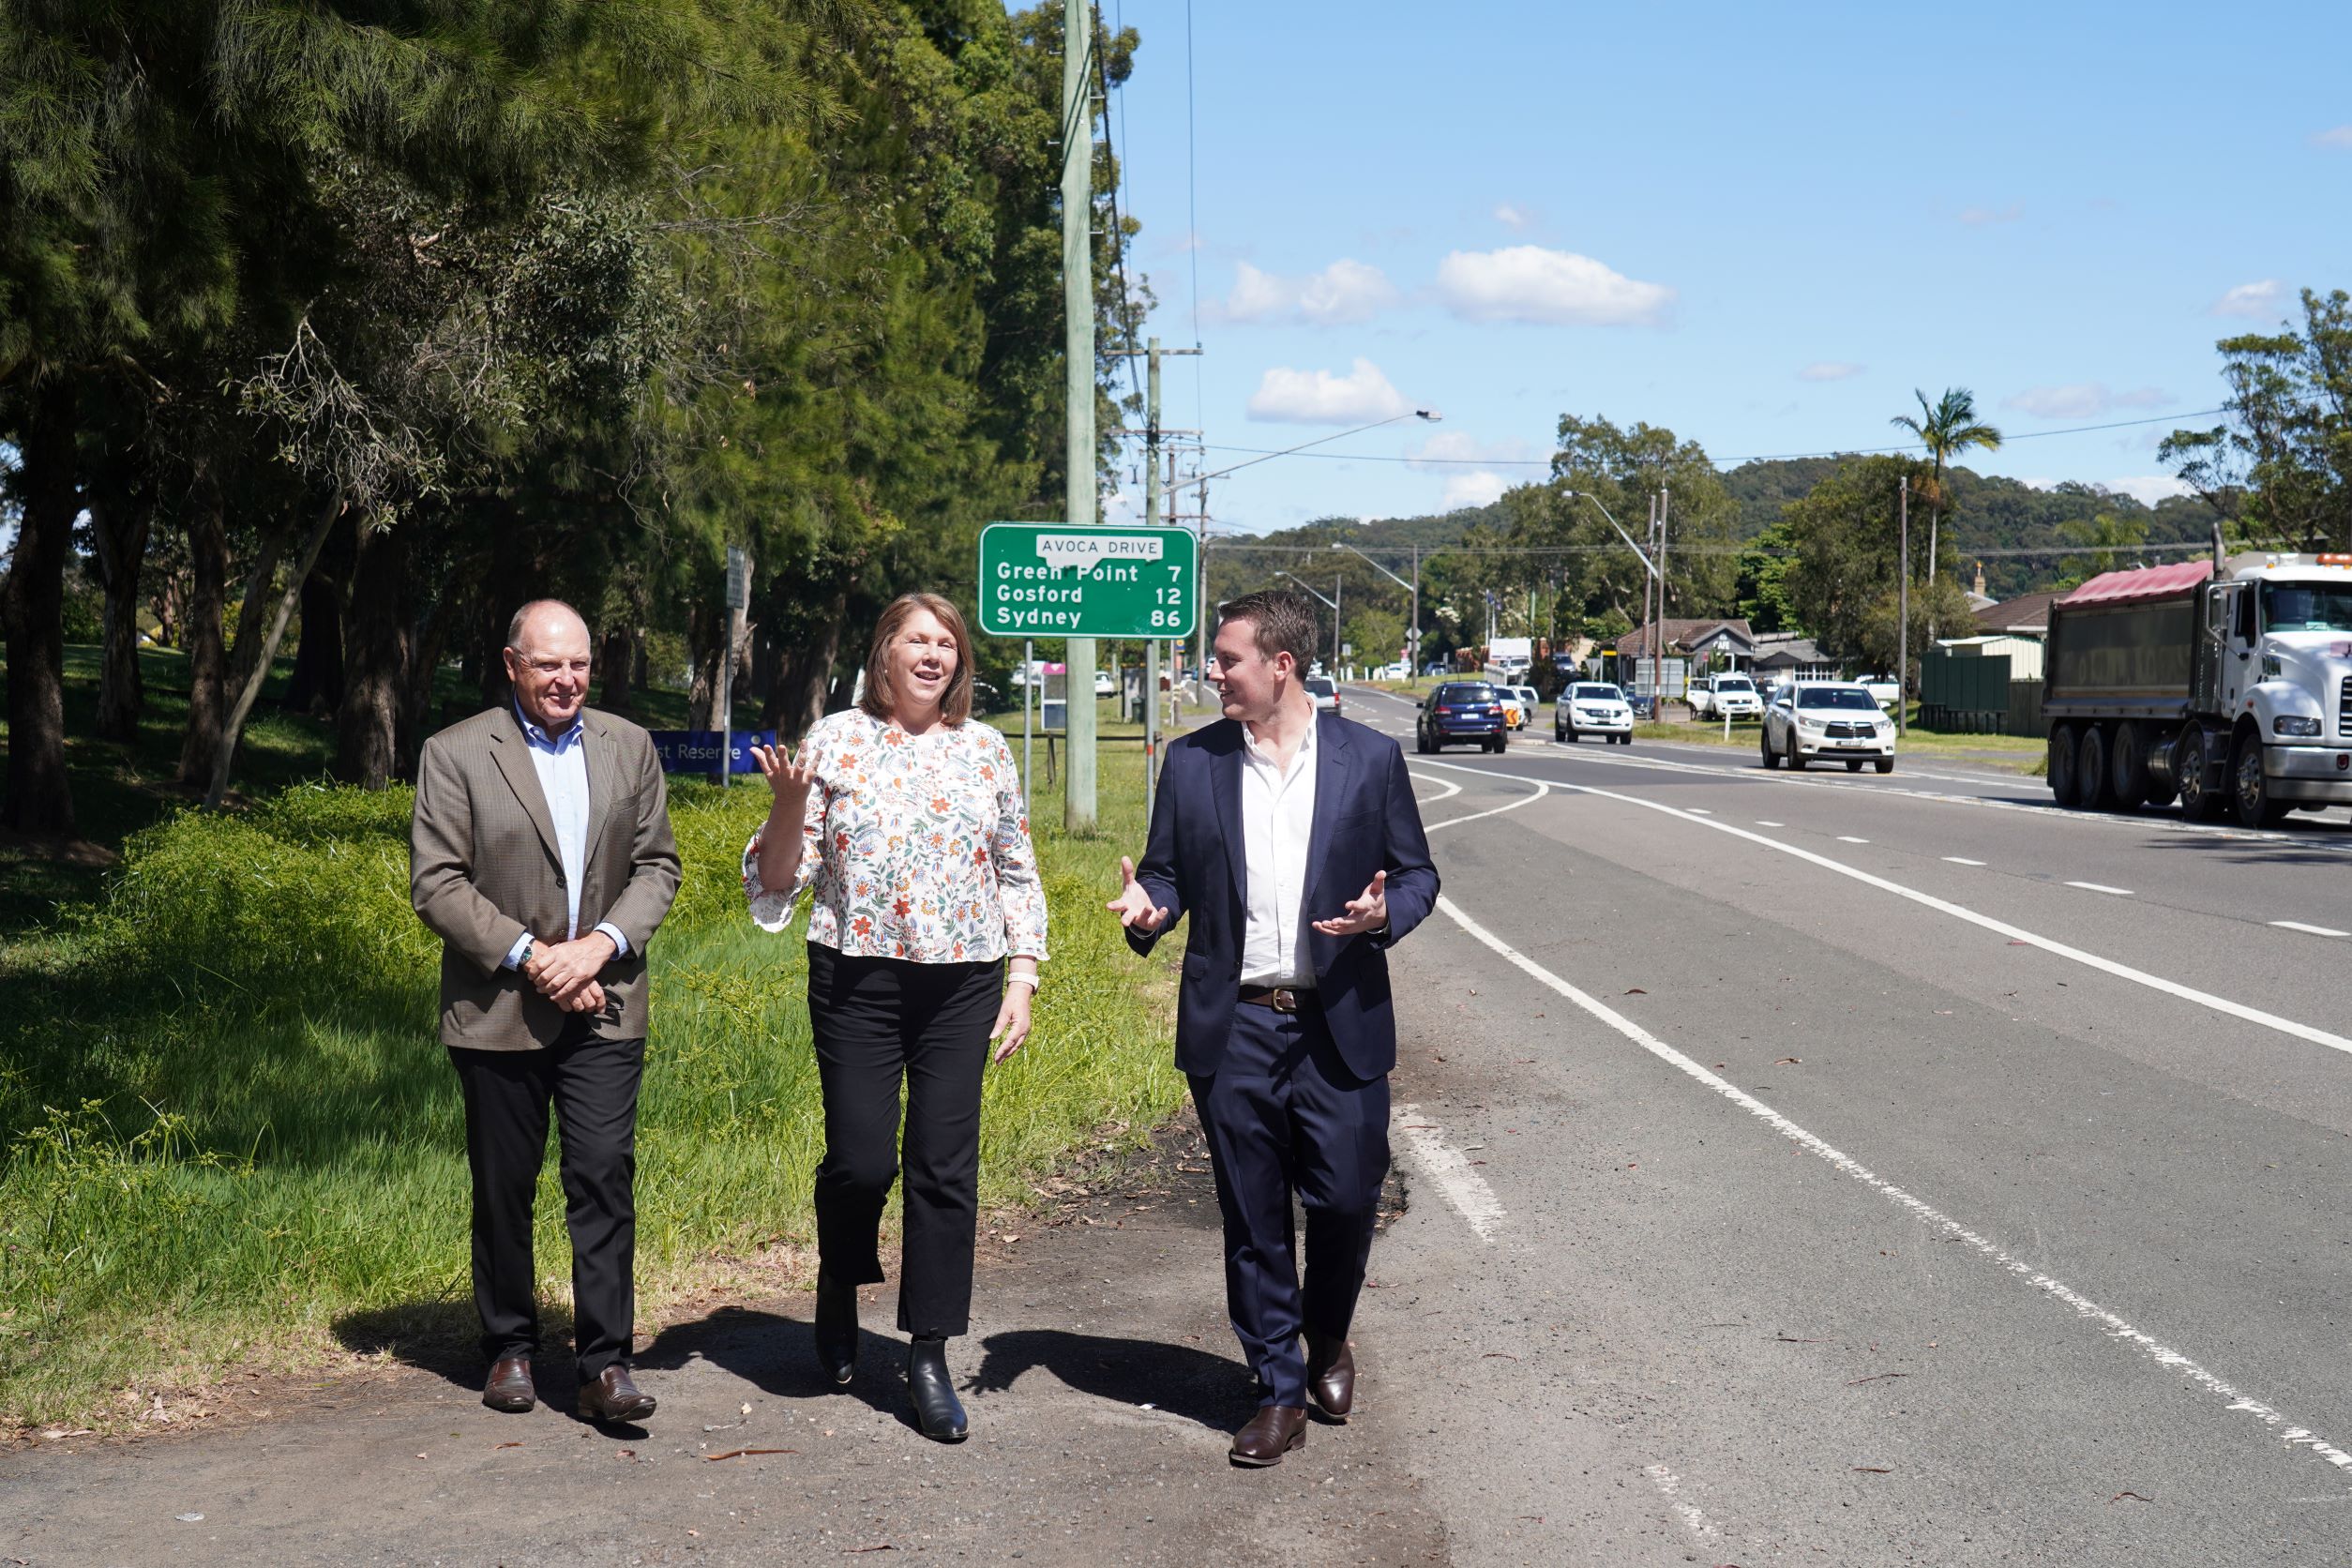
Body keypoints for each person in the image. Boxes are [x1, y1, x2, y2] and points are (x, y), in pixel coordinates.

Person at [1108, 589, 1438, 1467]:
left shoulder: (1369, 760)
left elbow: (1417, 875)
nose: (1213, 672)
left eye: (1227, 660)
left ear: (1281, 665)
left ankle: (1326, 1336)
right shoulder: (1193, 763)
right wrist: (1150, 907)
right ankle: (1278, 1389)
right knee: (1253, 1218)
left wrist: (1383, 914)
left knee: (1346, 1199)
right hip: (1237, 1025)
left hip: (1339, 1022)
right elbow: (1167, 874)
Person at [743, 592, 1045, 1442]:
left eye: (947, 642)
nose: (933, 653)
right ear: (886, 652)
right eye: (917, 639)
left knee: (944, 1167)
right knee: (862, 1162)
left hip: (963, 981)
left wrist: (1022, 975)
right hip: (857, 978)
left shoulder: (985, 748)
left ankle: (929, 1353)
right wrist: (788, 804)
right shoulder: (837, 739)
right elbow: (779, 879)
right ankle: (839, 1277)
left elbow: (1016, 868)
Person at [410, 599, 682, 1425]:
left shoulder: (629, 746)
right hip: (498, 1010)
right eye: (548, 664)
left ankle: (605, 1365)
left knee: (602, 1176)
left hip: (606, 1002)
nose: (567, 679)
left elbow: (657, 867)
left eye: (579, 664)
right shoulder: (455, 752)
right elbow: (438, 883)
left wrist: (596, 947)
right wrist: (536, 958)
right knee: (504, 1186)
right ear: (512, 664)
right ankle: (510, 1349)